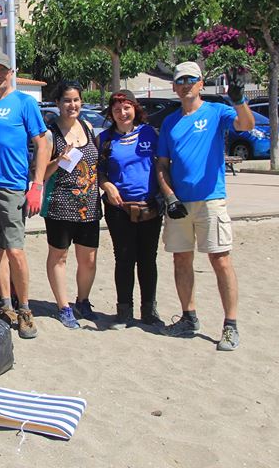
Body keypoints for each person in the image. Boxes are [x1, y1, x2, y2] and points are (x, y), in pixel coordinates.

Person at [156, 61, 254, 351]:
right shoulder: (170, 122)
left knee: (220, 260)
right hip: (180, 203)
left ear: (200, 84)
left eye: (191, 79)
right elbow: (162, 164)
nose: (186, 84)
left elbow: (246, 125)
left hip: (211, 199)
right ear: (174, 87)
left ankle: (230, 325)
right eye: (180, 80)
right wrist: (169, 196)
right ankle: (188, 317)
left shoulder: (216, 112)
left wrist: (239, 100)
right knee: (181, 259)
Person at [0, 50, 50, 339]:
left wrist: (37, 185)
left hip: (13, 187)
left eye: (1, 70)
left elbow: (43, 145)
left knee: (15, 250)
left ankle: (25, 309)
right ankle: (6, 305)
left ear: (11, 73)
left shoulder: (25, 103)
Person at [98, 89, 163, 330]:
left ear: (135, 109)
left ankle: (149, 310)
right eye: (117, 109)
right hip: (119, 209)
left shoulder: (150, 133)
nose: (122, 113)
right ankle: (124, 310)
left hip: (149, 207)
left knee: (148, 259)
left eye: (127, 108)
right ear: (111, 113)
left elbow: (163, 164)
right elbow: (98, 171)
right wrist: (107, 185)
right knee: (124, 259)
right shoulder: (104, 139)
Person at [41, 80, 100, 330]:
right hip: (60, 205)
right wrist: (58, 160)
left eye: (76, 100)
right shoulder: (50, 134)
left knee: (89, 259)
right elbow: (40, 173)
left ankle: (83, 301)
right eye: (66, 100)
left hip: (90, 206)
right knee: (59, 256)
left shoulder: (88, 127)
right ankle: (64, 307)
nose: (72, 105)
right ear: (57, 103)